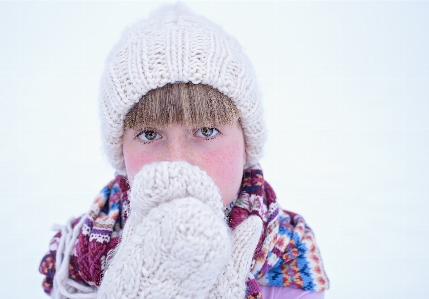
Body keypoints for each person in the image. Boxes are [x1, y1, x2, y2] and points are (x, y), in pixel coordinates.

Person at [39, 3, 330, 299]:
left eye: (206, 131)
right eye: (150, 134)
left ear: (246, 145)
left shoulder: (289, 264)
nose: (178, 161)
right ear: (121, 154)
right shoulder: (76, 260)